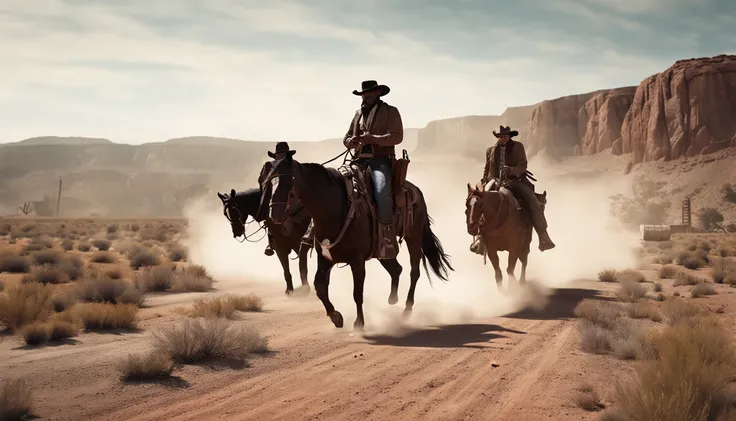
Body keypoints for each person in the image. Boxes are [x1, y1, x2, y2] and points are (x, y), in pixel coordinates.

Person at [342, 80, 403, 259]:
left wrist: (373, 138)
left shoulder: (390, 111)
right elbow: (346, 137)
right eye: (363, 94)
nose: (365, 97)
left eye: (369, 93)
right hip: (357, 161)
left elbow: (397, 137)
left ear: (377, 93)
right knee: (336, 184)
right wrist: (350, 142)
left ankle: (386, 238)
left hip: (380, 161)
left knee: (381, 192)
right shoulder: (358, 114)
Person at [474, 125, 555, 252]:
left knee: (532, 201)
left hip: (514, 180)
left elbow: (523, 165)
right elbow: (487, 169)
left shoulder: (518, 147)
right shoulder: (490, 150)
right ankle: (480, 238)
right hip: (494, 181)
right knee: (478, 202)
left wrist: (511, 170)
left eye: (505, 136)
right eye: (500, 136)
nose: (502, 138)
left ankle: (543, 236)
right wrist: (484, 181)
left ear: (510, 136)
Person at [261, 142, 296, 256]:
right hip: (275, 200)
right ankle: (271, 242)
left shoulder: (293, 165)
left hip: (291, 198)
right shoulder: (269, 167)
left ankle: (310, 237)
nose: (280, 159)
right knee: (268, 215)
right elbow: (262, 182)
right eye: (279, 156)